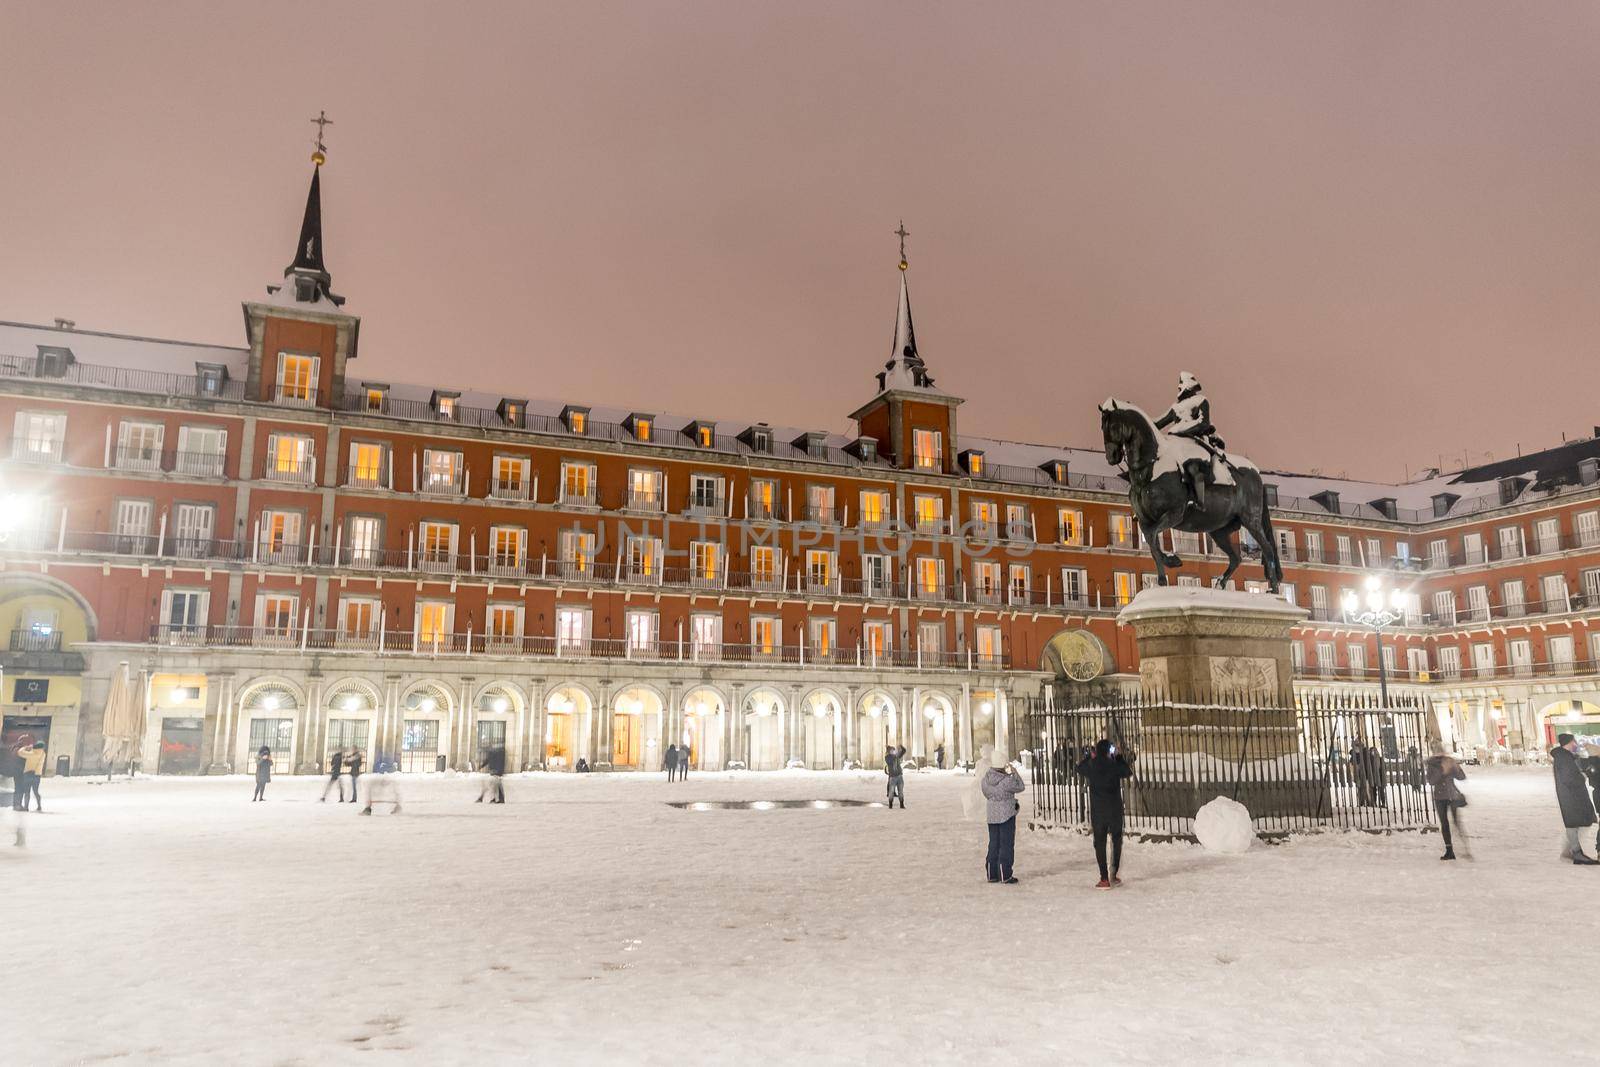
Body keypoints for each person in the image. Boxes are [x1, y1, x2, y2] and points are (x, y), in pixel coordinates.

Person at [1153, 371, 1227, 511]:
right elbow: (1158, 423)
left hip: (1196, 442)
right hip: (1177, 445)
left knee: (1193, 469)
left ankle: (1199, 501)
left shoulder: (1201, 401)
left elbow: (1203, 423)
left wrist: (1182, 430)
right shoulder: (1176, 407)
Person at [1076, 739, 1134, 888]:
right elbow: (1128, 772)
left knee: (1100, 843)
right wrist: (1119, 757)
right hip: (1114, 809)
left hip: (1098, 811)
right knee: (1116, 840)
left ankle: (1104, 878)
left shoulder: (1092, 765)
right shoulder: (1114, 764)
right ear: (1110, 750)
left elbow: (1079, 768)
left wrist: (1090, 756)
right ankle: (1113, 874)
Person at [1551, 733, 1599, 864]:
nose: (1576, 745)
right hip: (1570, 796)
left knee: (1575, 823)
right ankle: (1575, 852)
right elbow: (1568, 778)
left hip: (1572, 795)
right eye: (1574, 742)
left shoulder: (1566, 756)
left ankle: (1573, 850)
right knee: (1573, 823)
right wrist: (1582, 776)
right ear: (1569, 742)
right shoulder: (1563, 758)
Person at [981, 749, 1025, 883]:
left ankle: (991, 873)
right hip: (1006, 815)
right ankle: (1005, 874)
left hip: (992, 815)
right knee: (1006, 844)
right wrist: (1014, 772)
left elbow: (987, 794)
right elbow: (1021, 786)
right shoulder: (1007, 781)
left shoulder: (986, 780)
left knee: (993, 843)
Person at [1424, 740, 1469, 860]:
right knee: (1445, 823)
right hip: (1440, 797)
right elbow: (1431, 781)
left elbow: (1462, 777)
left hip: (1451, 795)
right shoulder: (1432, 764)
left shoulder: (1449, 761)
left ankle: (1463, 847)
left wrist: (1455, 767)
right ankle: (1450, 850)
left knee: (1455, 822)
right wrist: (1443, 771)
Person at [16, 742, 45, 813]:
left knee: (27, 792)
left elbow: (20, 752)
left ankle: (26, 807)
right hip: (37, 775)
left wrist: (26, 747)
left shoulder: (31, 754)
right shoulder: (43, 754)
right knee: (36, 791)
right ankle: (39, 806)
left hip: (28, 774)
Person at [884, 744, 907, 808]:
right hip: (893, 777)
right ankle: (890, 804)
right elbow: (890, 761)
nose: (893, 751)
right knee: (891, 791)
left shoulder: (896, 756)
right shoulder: (887, 757)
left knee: (901, 791)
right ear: (889, 751)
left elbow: (904, 751)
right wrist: (896, 755)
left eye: (893, 750)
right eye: (892, 750)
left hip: (899, 776)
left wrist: (901, 747)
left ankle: (901, 804)